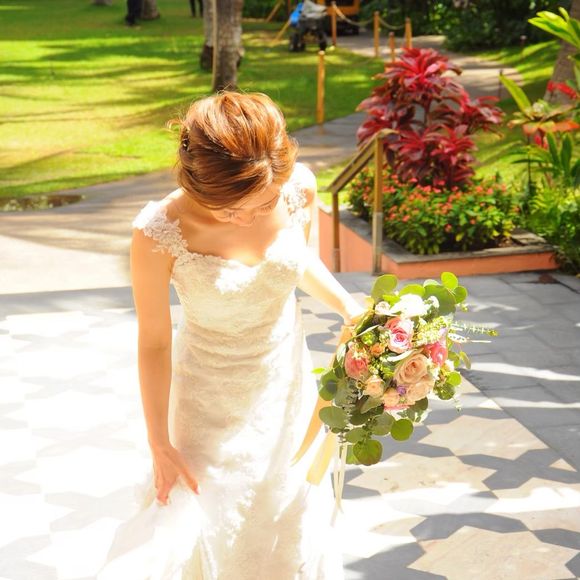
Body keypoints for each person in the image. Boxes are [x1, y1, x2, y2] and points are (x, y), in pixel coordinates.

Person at [96, 91, 365, 579]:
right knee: (214, 525)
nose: (247, 220)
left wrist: (348, 305)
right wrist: (159, 442)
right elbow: (154, 341)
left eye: (263, 206)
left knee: (288, 517)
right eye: (229, 212)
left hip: (286, 387)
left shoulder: (298, 189)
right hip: (206, 402)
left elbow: (294, 259)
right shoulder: (157, 232)